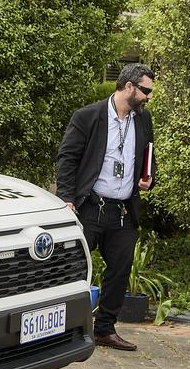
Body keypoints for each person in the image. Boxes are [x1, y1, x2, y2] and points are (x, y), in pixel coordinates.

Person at [55, 63, 156, 352]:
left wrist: (149, 178)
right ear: (129, 87)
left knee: (121, 269)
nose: (148, 96)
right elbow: (67, 158)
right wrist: (66, 198)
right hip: (89, 207)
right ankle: (63, 328)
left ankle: (104, 329)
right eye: (145, 90)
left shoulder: (142, 119)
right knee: (73, 268)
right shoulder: (88, 116)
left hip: (122, 210)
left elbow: (148, 156)